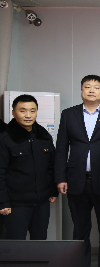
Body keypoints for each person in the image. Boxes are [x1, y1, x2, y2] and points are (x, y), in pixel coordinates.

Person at [55, 75, 100, 267]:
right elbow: (61, 147)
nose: (92, 90)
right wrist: (60, 177)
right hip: (76, 180)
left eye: (96, 87)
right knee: (80, 229)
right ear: (81, 91)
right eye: (87, 87)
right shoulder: (69, 114)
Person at [0, 95, 57, 240]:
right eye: (22, 111)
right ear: (13, 113)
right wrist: (3, 202)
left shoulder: (44, 136)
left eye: (32, 111)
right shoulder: (5, 139)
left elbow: (51, 166)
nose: (28, 115)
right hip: (15, 204)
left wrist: (53, 190)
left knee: (40, 243)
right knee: (16, 245)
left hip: (41, 203)